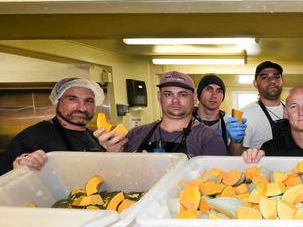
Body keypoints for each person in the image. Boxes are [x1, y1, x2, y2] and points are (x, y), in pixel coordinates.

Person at [97, 71, 227, 157]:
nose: (175, 100)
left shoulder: (209, 138)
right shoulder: (136, 134)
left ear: (193, 98)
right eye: (168, 94)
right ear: (159, 97)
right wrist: (113, 156)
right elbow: (119, 177)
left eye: (182, 94)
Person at [0, 78, 106, 174]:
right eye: (72, 99)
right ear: (57, 102)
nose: (82, 108)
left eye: (89, 101)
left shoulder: (97, 138)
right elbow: (5, 178)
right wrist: (19, 167)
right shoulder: (32, 136)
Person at [242, 87, 303, 162]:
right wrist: (251, 159)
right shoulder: (270, 150)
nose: (301, 112)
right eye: (294, 107)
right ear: (285, 113)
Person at [193, 73, 246, 155]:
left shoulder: (229, 123)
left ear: (223, 97)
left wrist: (236, 141)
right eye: (209, 89)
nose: (214, 95)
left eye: (219, 91)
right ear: (198, 94)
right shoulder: (186, 121)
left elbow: (235, 157)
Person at [241, 61, 287, 149]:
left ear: (282, 81)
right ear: (255, 83)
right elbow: (237, 155)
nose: (272, 80)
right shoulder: (245, 114)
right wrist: (234, 141)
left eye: (276, 76)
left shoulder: (293, 109)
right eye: (264, 77)